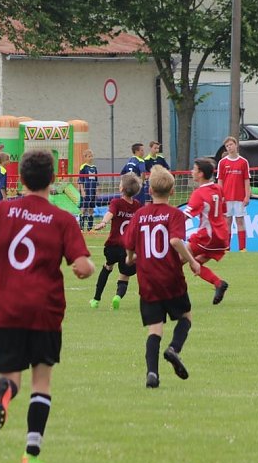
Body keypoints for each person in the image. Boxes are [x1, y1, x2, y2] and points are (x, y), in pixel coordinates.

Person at [0, 150, 95, 463]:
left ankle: (4, 392)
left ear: (21, 179)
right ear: (52, 180)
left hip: (6, 307)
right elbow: (82, 267)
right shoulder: (63, 220)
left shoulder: (3, 211)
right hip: (44, 310)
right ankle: (32, 452)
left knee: (11, 376)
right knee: (42, 381)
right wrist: (86, 266)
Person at [125, 165, 200, 389]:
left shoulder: (139, 214)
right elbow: (175, 241)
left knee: (155, 328)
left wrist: (130, 258)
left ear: (149, 191)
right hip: (170, 276)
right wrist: (193, 261)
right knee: (186, 317)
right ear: (173, 192)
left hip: (147, 279)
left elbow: (128, 245)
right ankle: (174, 349)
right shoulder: (174, 214)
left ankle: (152, 374)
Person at [89, 172, 142, 310]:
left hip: (113, 246)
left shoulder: (116, 202)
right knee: (124, 276)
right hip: (128, 248)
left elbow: (110, 213)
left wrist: (103, 222)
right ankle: (117, 297)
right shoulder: (137, 205)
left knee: (107, 267)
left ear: (121, 188)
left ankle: (96, 299)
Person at [183, 158, 230, 305]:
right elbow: (224, 211)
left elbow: (186, 215)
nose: (192, 171)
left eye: (194, 169)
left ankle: (176, 296)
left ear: (201, 173)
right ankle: (218, 283)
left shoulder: (199, 193)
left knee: (176, 261)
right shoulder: (218, 188)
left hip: (207, 237)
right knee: (194, 263)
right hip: (221, 237)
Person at [216, 136, 251, 252]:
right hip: (226, 198)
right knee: (227, 222)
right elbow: (220, 180)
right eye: (227, 146)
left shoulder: (243, 162)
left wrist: (247, 195)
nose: (229, 147)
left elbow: (246, 180)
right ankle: (227, 247)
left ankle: (242, 248)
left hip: (239, 197)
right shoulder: (222, 162)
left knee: (240, 221)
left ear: (236, 145)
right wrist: (221, 196)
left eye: (231, 145)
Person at [77, 149, 98, 232]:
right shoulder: (83, 167)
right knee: (83, 208)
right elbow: (81, 179)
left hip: (92, 190)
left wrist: (96, 190)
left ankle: (89, 228)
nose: (91, 158)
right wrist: (82, 190)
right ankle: (81, 228)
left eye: (91, 156)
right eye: (89, 156)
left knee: (91, 208)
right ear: (85, 157)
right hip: (86, 190)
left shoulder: (94, 168)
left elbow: (96, 180)